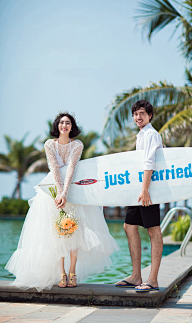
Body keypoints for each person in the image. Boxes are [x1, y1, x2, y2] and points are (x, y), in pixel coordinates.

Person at [6, 112, 119, 291]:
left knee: (75, 231)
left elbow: (72, 168)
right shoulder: (49, 144)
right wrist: (59, 194)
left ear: (72, 126)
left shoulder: (78, 144)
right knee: (56, 233)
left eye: (68, 123)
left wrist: (65, 194)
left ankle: (72, 272)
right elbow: (55, 170)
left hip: (74, 190)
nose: (64, 125)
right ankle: (61, 273)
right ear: (57, 126)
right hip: (51, 191)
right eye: (61, 123)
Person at [115, 100, 163, 292]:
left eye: (142, 113)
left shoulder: (151, 134)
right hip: (140, 188)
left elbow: (149, 162)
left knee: (153, 231)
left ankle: (152, 280)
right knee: (129, 226)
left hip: (148, 189)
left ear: (149, 115)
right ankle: (136, 276)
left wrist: (145, 190)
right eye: (135, 114)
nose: (138, 117)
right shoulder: (141, 135)